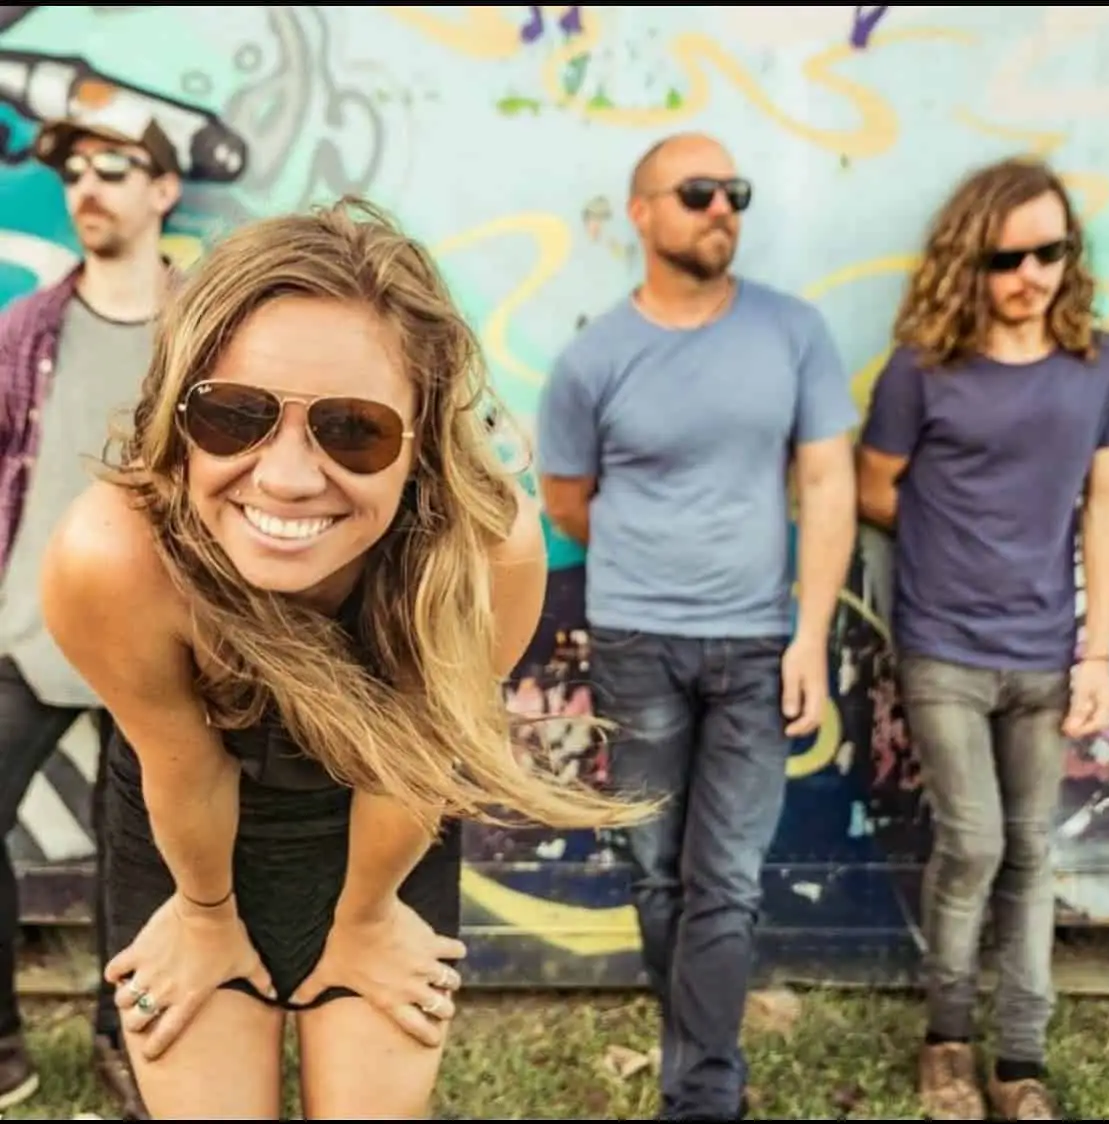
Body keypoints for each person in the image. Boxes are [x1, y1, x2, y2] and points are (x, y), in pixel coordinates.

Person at [39, 197, 647, 1120]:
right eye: (235, 416)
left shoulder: (486, 549)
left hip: (386, 822)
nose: (285, 477)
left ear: (425, 439)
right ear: (178, 412)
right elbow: (183, 762)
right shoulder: (114, 556)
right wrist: (205, 916)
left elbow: (416, 760)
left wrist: (364, 917)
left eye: (353, 428)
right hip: (187, 837)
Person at [536, 132, 858, 1121]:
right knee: (655, 870)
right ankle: (698, 1058)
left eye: (734, 191)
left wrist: (808, 634)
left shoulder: (791, 332)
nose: (721, 206)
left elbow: (824, 480)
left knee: (722, 874)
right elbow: (566, 498)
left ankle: (701, 1094)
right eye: (696, 191)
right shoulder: (591, 359)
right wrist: (648, 561)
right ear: (640, 212)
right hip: (634, 641)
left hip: (758, 643)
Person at [857, 157, 1109, 1121]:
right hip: (944, 648)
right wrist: (946, 554)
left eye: (1051, 251)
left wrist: (1097, 650)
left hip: (1050, 651)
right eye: (1009, 257)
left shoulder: (1103, 363)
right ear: (970, 261)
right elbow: (873, 487)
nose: (1032, 275)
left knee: (1029, 850)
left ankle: (1022, 1062)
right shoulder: (921, 370)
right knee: (971, 846)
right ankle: (947, 1044)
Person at [0, 110, 183, 1118]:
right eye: (73, 170)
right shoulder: (28, 329)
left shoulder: (206, 324)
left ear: (164, 190)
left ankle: (126, 1044)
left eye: (115, 165)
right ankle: (1, 1041)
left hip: (161, 649)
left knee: (148, 857)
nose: (87, 184)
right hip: (25, 639)